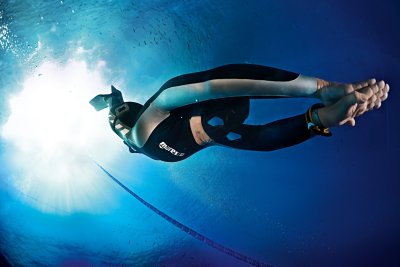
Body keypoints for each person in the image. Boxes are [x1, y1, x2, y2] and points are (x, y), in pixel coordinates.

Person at [90, 64, 389, 162]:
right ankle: (113, 103)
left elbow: (262, 139)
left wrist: (323, 116)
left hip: (183, 138)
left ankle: (326, 113)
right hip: (186, 128)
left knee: (226, 129)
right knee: (214, 112)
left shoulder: (148, 135)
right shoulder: (147, 126)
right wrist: (320, 92)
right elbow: (210, 87)